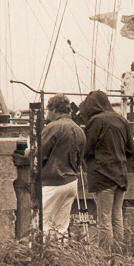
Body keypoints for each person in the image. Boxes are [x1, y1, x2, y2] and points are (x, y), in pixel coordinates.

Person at [78, 90, 134, 252]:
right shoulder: (122, 120)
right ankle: (118, 254)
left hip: (102, 176)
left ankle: (105, 257)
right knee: (117, 217)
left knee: (104, 219)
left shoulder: (96, 121)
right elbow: (131, 150)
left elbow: (86, 149)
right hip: (121, 175)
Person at [35, 94, 86, 242]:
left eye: (47, 110)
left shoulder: (53, 127)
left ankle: (43, 258)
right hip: (71, 182)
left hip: (53, 182)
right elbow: (80, 159)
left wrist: (26, 152)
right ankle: (61, 258)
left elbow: (39, 153)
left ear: (54, 110)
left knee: (42, 223)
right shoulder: (79, 130)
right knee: (61, 227)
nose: (47, 114)